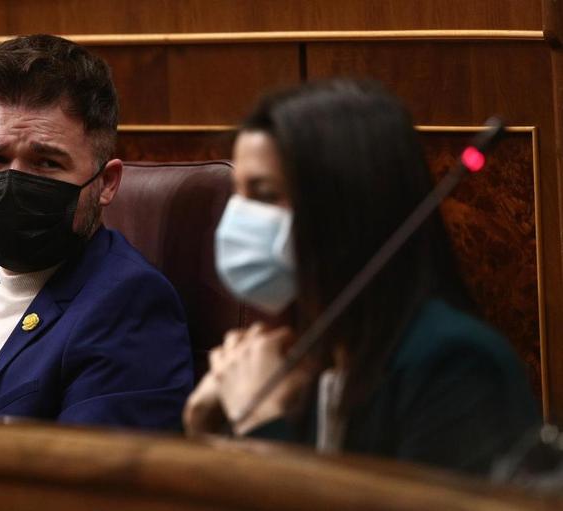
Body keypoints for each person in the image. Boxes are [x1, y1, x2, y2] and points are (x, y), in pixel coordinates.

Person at [184, 80, 539, 473]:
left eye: (264, 195)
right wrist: (208, 437)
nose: (239, 217)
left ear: (343, 207)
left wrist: (262, 424)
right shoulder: (318, 360)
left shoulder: (457, 363)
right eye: (238, 194)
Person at [0, 34, 193, 430]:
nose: (13, 183)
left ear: (106, 183)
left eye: (46, 163)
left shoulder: (128, 305)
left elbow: (84, 486)